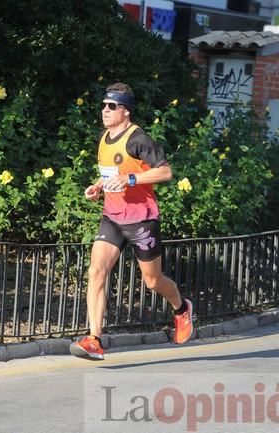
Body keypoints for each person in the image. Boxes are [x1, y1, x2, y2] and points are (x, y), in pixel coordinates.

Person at [69, 82, 193, 360]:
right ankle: (94, 339)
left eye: (111, 106)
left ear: (125, 111)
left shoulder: (139, 139)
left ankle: (181, 308)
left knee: (152, 281)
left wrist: (131, 179)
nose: (105, 110)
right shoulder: (104, 138)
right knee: (96, 271)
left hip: (141, 220)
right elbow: (112, 172)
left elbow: (165, 172)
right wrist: (98, 186)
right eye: (103, 105)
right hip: (112, 218)